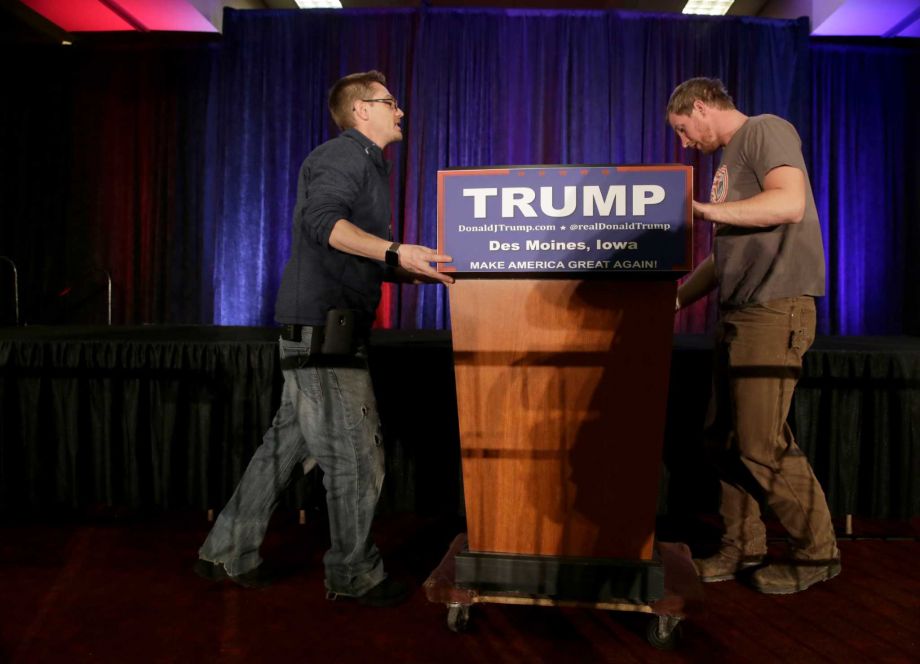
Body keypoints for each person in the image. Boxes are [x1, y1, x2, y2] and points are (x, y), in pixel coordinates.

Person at [194, 71, 453, 607]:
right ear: (361, 111)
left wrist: (410, 266)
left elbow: (353, 253)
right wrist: (393, 251)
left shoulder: (367, 165)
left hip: (323, 327)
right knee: (359, 458)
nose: (400, 111)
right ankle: (354, 574)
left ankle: (224, 551)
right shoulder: (342, 157)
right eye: (390, 103)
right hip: (323, 332)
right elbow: (323, 225)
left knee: (282, 449)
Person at [667, 77, 840, 594]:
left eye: (682, 129)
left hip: (775, 310)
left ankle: (817, 554)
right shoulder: (730, 161)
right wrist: (672, 300)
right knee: (721, 441)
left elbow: (788, 204)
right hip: (740, 313)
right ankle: (742, 546)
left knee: (762, 444)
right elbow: (725, 258)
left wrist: (699, 210)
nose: (683, 143)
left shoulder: (765, 129)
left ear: (700, 107)